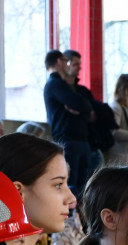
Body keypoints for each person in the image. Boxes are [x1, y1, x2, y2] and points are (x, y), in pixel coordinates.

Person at [43, 50, 95, 198]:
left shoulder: (59, 84)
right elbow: (79, 103)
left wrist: (81, 110)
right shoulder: (55, 84)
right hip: (68, 141)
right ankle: (73, 218)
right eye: (66, 61)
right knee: (72, 186)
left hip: (78, 140)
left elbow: (85, 106)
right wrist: (80, 108)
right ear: (59, 62)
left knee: (83, 185)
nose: (68, 65)